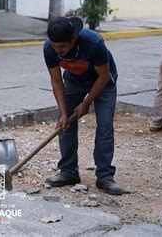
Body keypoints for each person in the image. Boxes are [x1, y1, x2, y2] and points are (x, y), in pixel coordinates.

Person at [43, 16, 126, 195]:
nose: (58, 51)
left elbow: (103, 76)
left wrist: (86, 102)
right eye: (55, 46)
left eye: (62, 47)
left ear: (73, 39)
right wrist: (63, 112)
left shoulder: (94, 43)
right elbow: (56, 81)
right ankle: (68, 171)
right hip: (73, 81)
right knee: (64, 125)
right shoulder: (49, 47)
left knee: (104, 126)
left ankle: (105, 177)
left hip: (103, 82)